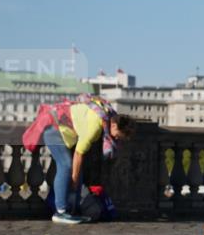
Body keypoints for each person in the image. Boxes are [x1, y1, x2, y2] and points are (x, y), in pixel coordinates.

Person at [37, 96, 136, 224]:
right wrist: (73, 179)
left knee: (79, 173)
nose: (117, 139)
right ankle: (60, 212)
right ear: (115, 125)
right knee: (66, 166)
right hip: (53, 130)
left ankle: (74, 212)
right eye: (119, 136)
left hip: (62, 132)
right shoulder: (95, 127)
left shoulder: (107, 116)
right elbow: (79, 153)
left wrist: (76, 177)